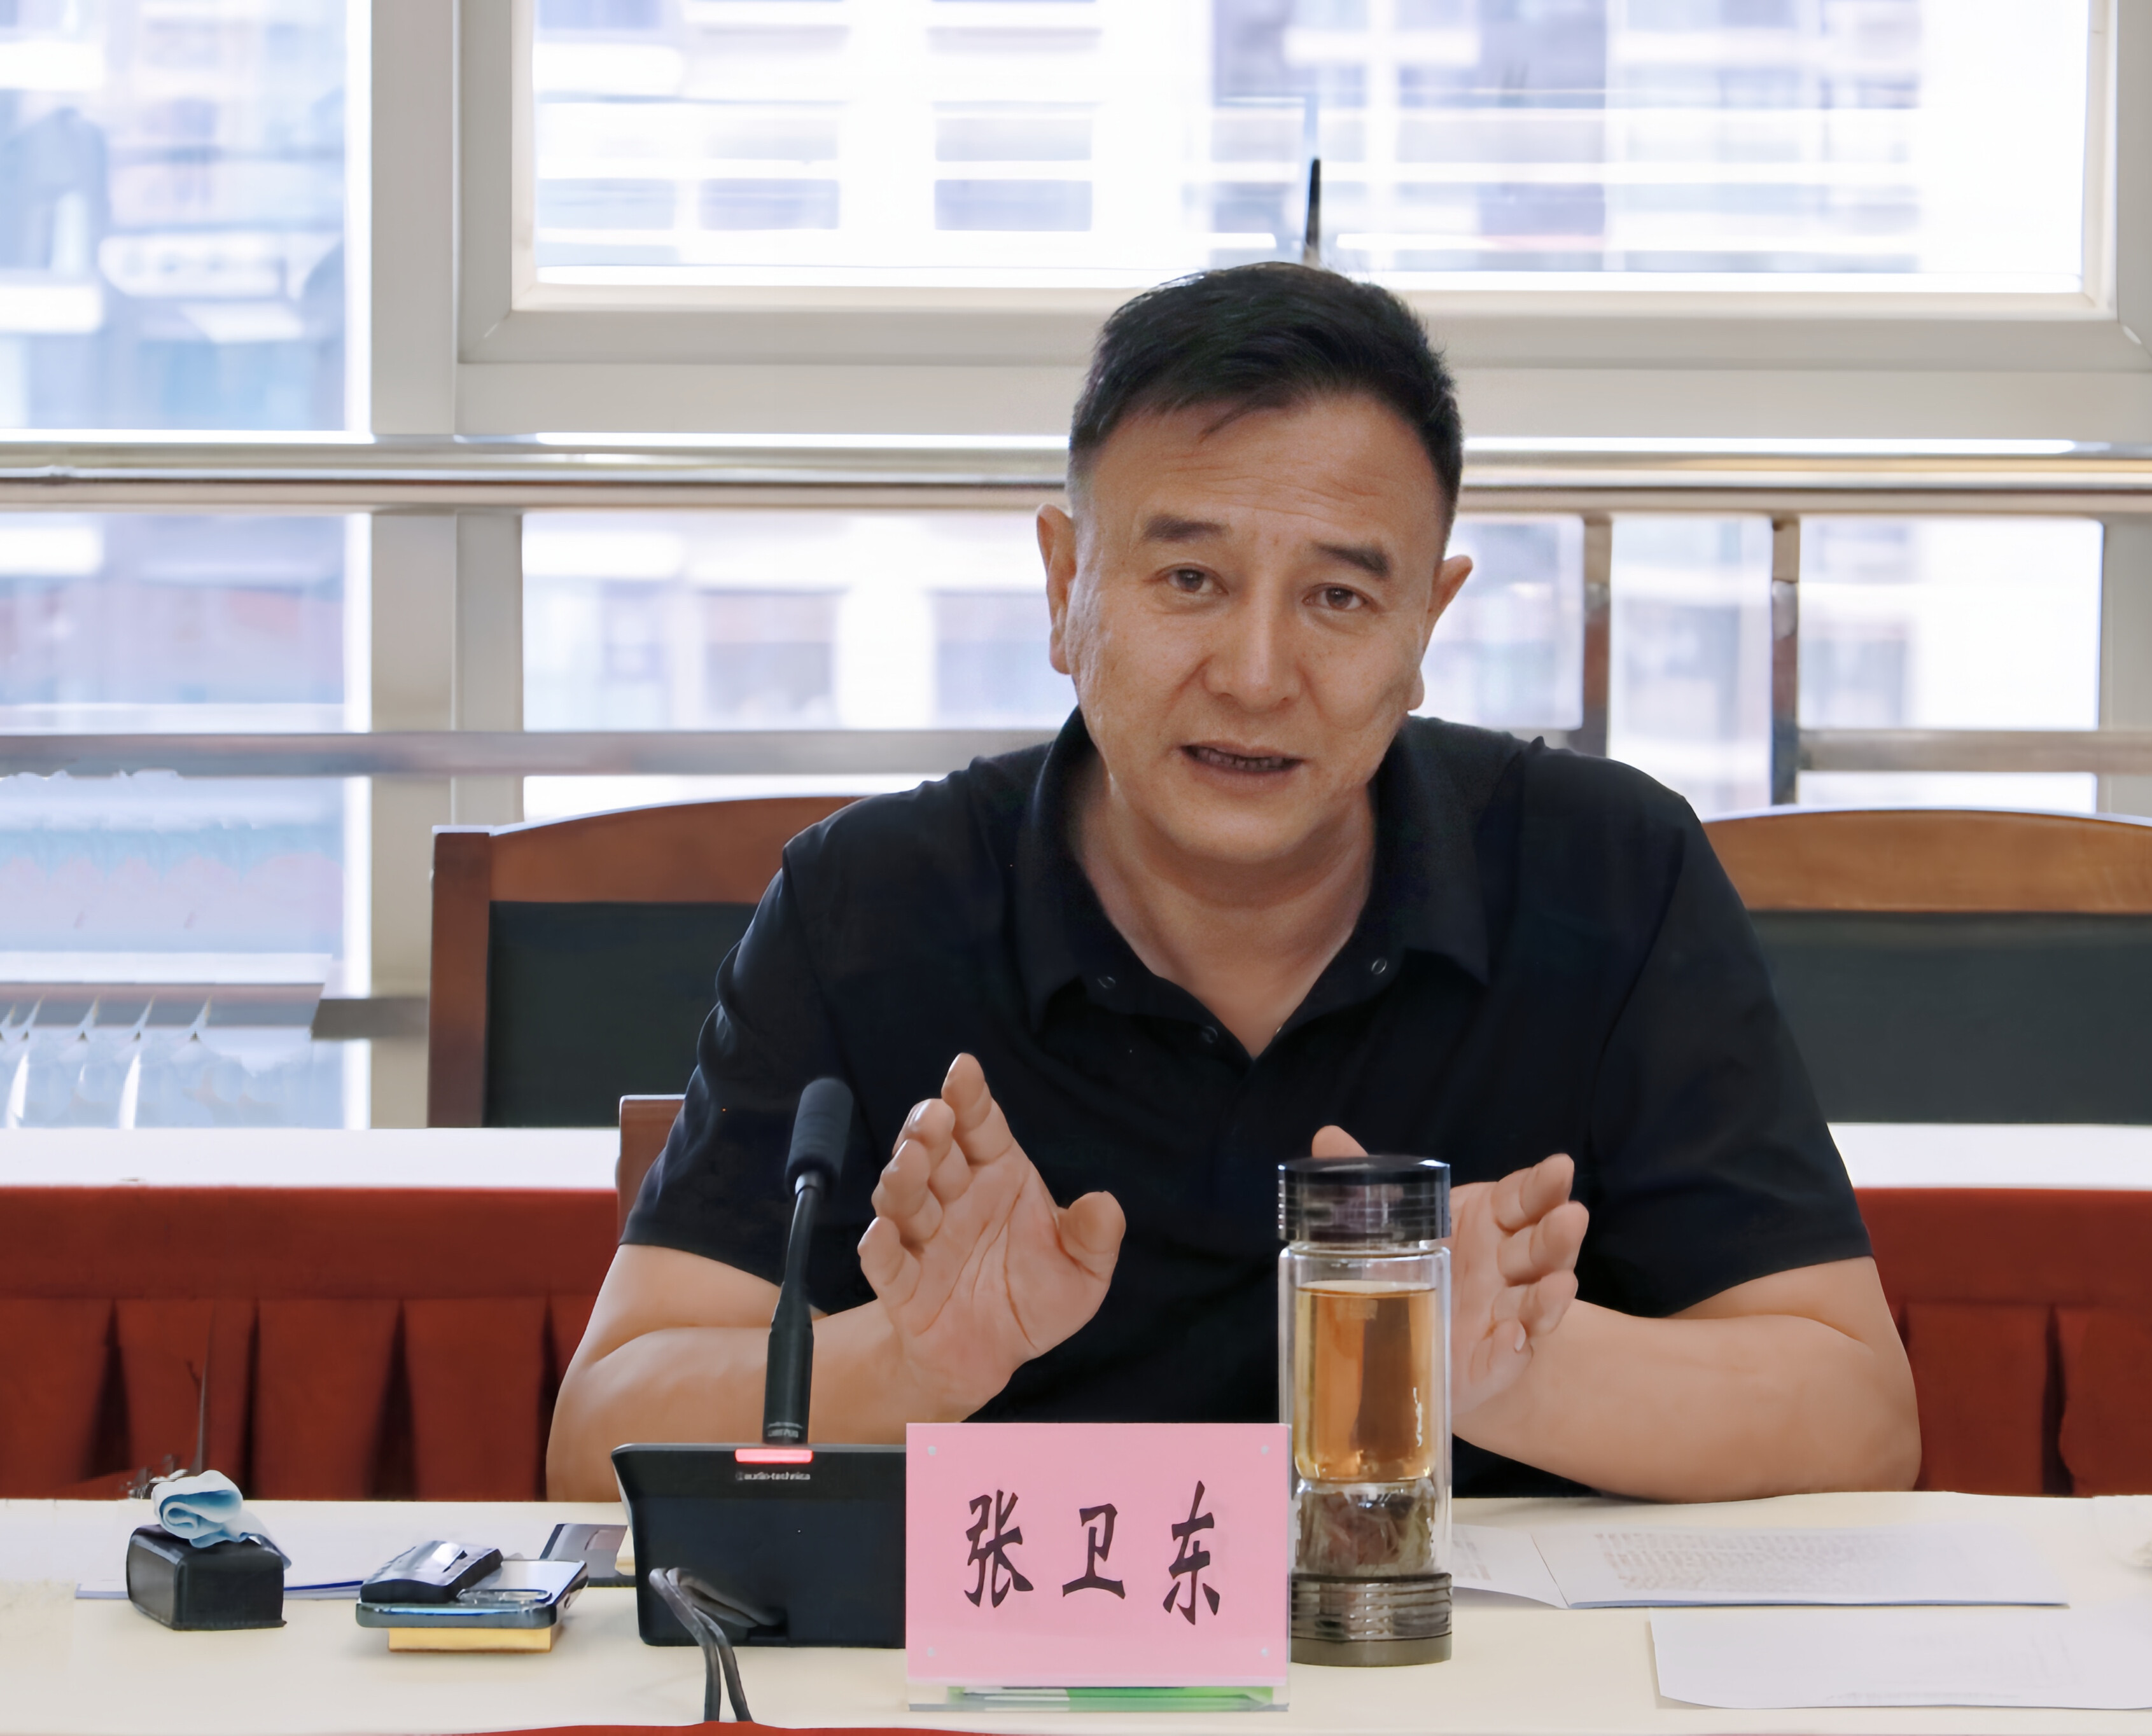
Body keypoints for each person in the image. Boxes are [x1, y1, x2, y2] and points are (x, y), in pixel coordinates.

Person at [545, 263, 1920, 1504]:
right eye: (1191, 577)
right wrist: (905, 1364)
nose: (1257, 675)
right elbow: (598, 1433)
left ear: (1426, 624)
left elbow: (1856, 1415)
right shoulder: (871, 903)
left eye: (1338, 598)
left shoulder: (1605, 872)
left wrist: (1499, 1369)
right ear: (1066, 586)